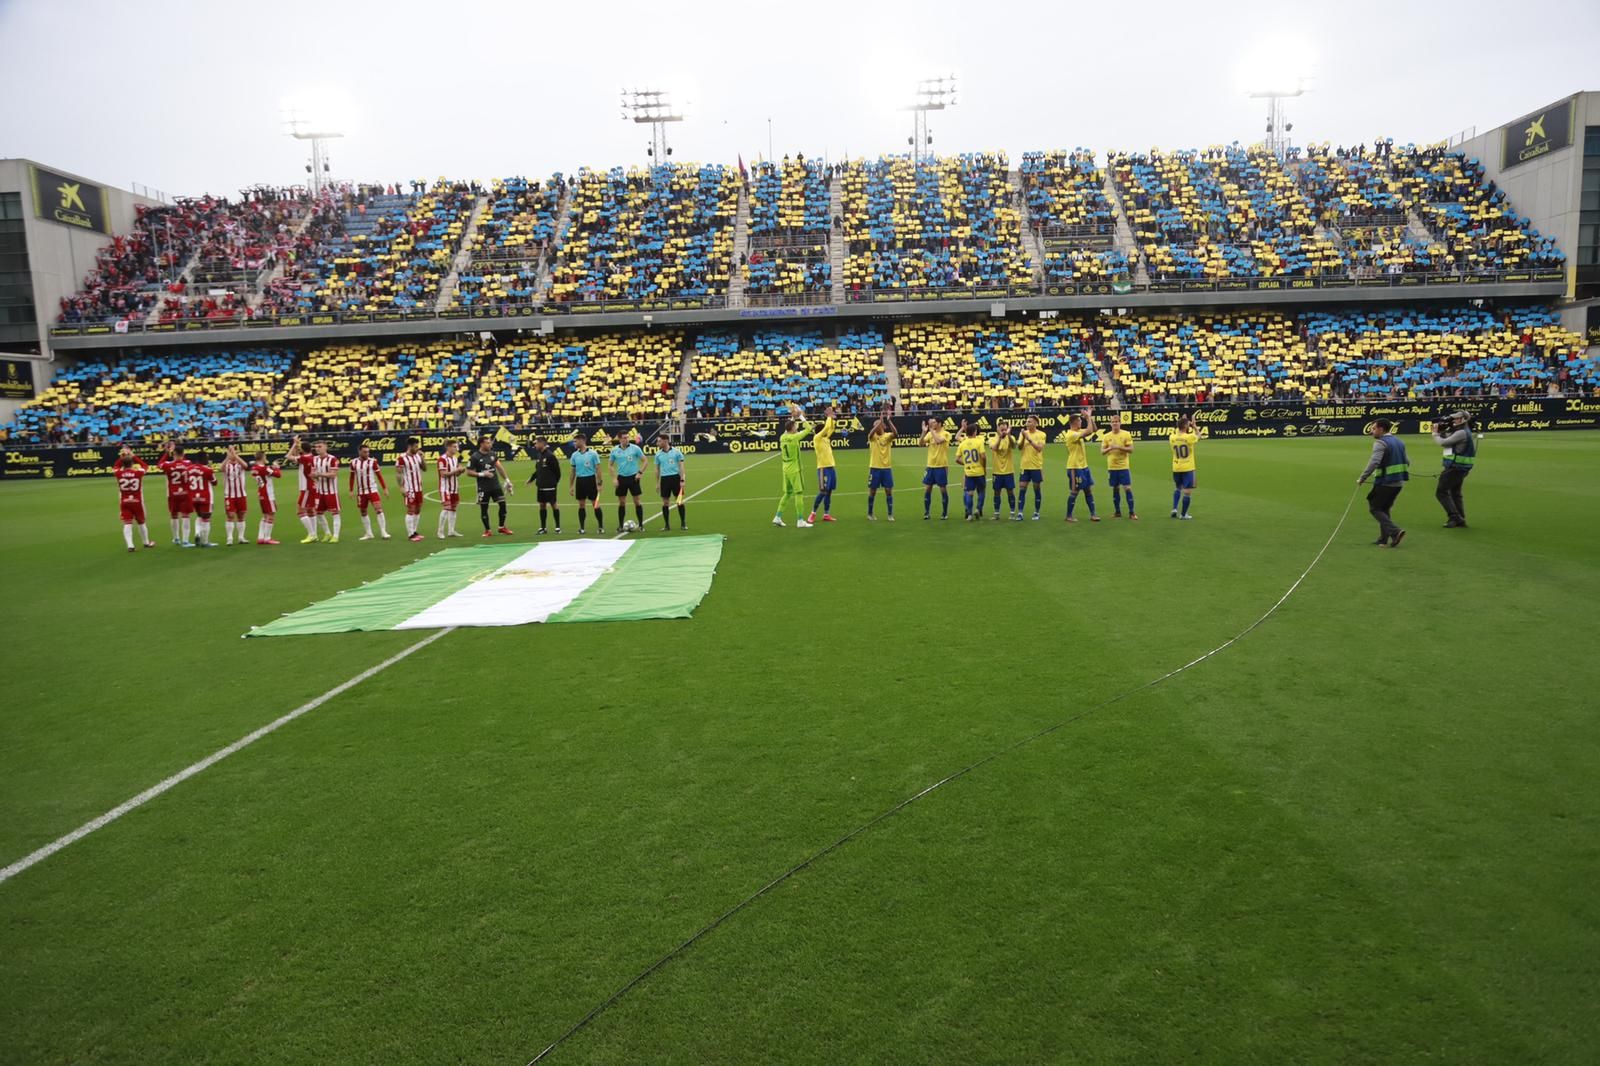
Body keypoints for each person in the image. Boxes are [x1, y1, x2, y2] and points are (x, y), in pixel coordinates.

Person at [1357, 419, 1409, 547]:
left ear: (1381, 429)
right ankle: (1384, 539)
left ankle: (1395, 532)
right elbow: (1407, 461)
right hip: (1398, 482)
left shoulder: (1380, 443)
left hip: (1385, 482)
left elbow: (1374, 462)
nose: (1371, 431)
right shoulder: (1399, 442)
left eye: (1373, 428)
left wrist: (1363, 477)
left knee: (1375, 508)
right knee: (1384, 509)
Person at [1430, 410, 1475, 528]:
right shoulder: (1463, 431)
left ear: (1463, 419)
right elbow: (1450, 441)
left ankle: (1454, 517)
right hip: (1460, 467)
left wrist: (1435, 434)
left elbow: (1444, 443)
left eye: (1456, 418)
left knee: (1441, 492)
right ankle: (1460, 518)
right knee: (1455, 493)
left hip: (1456, 467)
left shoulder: (1461, 432)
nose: (1453, 420)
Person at [773, 402, 813, 528]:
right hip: (795, 469)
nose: (797, 427)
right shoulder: (795, 437)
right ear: (793, 429)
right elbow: (809, 429)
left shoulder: (782, 437)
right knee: (799, 493)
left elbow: (788, 427)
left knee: (787, 493)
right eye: (795, 426)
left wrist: (793, 417)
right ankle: (800, 520)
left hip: (785, 468)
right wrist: (801, 416)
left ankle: (778, 517)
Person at [467, 433, 513, 537]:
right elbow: (469, 472)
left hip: (495, 485)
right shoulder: (475, 457)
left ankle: (501, 527)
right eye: (488, 443)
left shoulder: (492, 454)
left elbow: (499, 467)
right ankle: (487, 530)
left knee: (503, 505)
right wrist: (482, 474)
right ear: (482, 444)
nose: (490, 445)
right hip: (483, 487)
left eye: (490, 443)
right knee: (484, 508)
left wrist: (507, 480)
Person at [113, 444, 155, 552]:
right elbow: (145, 466)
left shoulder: (119, 473)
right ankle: (146, 542)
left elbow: (115, 467)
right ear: (132, 464)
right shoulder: (138, 473)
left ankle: (130, 545)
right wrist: (133, 455)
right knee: (141, 522)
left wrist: (122, 457)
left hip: (125, 501)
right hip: (137, 501)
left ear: (123, 464)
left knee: (127, 523)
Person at [349, 443, 391, 541]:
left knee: (379, 510)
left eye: (368, 452)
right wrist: (351, 490)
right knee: (363, 512)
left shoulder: (373, 462)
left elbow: (379, 475)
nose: (367, 454)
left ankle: (383, 532)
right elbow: (352, 477)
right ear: (359, 452)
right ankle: (368, 533)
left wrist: (385, 488)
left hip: (372, 490)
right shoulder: (353, 462)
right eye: (364, 452)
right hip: (361, 492)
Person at [1063, 411, 1099, 522]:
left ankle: (1093, 514)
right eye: (1079, 420)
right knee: (1075, 491)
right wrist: (1088, 418)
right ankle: (1068, 516)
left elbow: (1094, 429)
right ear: (1074, 422)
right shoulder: (1071, 434)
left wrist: (1090, 418)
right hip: (1075, 467)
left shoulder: (1077, 431)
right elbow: (1088, 431)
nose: (1081, 422)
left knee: (1088, 490)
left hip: (1083, 466)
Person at [608, 429, 647, 532]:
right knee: (621, 502)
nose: (626, 439)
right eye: (624, 438)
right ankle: (620, 525)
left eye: (627, 437)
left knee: (637, 501)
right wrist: (614, 479)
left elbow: (645, 461)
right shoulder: (615, 450)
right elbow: (610, 465)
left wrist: (640, 473)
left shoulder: (635, 448)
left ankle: (641, 525)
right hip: (621, 478)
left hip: (633, 478)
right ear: (620, 439)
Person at [1101, 412, 1137, 520]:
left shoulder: (1126, 434)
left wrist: (1119, 447)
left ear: (1120, 423)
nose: (1115, 424)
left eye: (1116, 422)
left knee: (1127, 488)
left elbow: (1131, 449)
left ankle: (1132, 512)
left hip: (1123, 467)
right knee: (1115, 489)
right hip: (1112, 467)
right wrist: (1109, 448)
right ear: (1110, 424)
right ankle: (1117, 512)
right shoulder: (1107, 436)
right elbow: (1102, 452)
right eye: (1113, 422)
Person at [156, 440, 193, 546]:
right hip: (185, 493)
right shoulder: (188, 463)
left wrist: (167, 453)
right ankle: (185, 541)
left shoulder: (168, 464)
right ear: (183, 454)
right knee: (185, 516)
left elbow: (159, 465)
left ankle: (176, 538)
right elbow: (183, 462)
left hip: (172, 494)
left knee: (174, 515)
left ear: (174, 454)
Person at [567, 433, 605, 534]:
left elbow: (598, 469)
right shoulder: (574, 455)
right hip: (580, 481)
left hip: (590, 480)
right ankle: (582, 528)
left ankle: (600, 526)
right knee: (581, 504)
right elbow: (573, 471)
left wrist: (599, 483)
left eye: (576, 441)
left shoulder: (593, 454)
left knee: (595, 504)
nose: (574, 443)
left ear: (582, 441)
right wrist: (571, 486)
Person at [807, 405, 838, 524]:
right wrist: (829, 416)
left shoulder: (825, 439)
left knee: (829, 491)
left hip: (831, 468)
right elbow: (826, 428)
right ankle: (813, 513)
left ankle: (826, 514)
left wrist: (832, 419)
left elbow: (830, 429)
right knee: (823, 491)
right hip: (822, 469)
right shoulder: (817, 438)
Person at [527, 436, 563, 534]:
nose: (535, 445)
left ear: (542, 443)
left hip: (550, 485)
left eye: (536, 443)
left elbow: (557, 472)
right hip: (541, 485)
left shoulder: (550, 456)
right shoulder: (539, 455)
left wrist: (554, 482)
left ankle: (558, 527)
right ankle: (543, 528)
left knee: (553, 504)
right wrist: (532, 478)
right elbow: (538, 470)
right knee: (542, 505)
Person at [308, 439, 341, 542]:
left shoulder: (332, 459)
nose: (317, 449)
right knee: (319, 513)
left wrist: (319, 474)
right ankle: (327, 533)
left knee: (335, 513)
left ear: (326, 447)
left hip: (331, 491)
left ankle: (335, 536)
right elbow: (313, 474)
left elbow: (333, 475)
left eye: (320, 447)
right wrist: (314, 476)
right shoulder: (314, 459)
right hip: (320, 491)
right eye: (316, 447)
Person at [866, 409, 895, 521]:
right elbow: (870, 433)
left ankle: (890, 514)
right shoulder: (873, 437)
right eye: (875, 425)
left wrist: (889, 421)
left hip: (886, 468)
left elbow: (896, 434)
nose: (876, 426)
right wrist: (878, 422)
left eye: (878, 425)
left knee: (888, 491)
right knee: (872, 491)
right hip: (874, 468)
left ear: (882, 426)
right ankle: (870, 513)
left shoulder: (887, 436)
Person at [396, 437, 427, 542]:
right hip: (409, 488)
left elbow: (424, 468)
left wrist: (422, 458)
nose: (417, 448)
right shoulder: (402, 458)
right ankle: (410, 535)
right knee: (411, 510)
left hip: (419, 487)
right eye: (415, 446)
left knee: (418, 509)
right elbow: (398, 473)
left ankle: (414, 531)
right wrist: (401, 487)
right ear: (410, 446)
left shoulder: (418, 456)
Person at [654, 433, 687, 530]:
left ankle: (683, 523)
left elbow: (681, 466)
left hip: (675, 478)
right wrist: (657, 483)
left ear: (665, 441)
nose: (658, 443)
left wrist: (682, 479)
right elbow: (657, 469)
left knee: (679, 501)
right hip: (664, 479)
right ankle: (667, 525)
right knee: (665, 503)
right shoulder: (658, 454)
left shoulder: (677, 452)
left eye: (659, 441)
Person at [249, 448, 282, 545]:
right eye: (265, 456)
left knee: (265, 516)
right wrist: (276, 468)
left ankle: (260, 537)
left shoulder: (254, 468)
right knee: (271, 515)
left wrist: (271, 468)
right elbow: (278, 475)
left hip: (261, 493)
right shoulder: (263, 468)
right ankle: (267, 538)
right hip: (268, 494)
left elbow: (264, 474)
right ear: (263, 457)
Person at [220, 445, 251, 545]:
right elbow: (221, 468)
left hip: (241, 494)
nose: (233, 454)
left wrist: (235, 455)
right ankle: (229, 538)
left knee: (241, 515)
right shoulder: (226, 465)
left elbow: (246, 466)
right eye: (231, 452)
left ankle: (241, 537)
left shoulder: (240, 464)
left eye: (235, 452)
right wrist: (228, 456)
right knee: (230, 515)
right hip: (229, 495)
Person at [185, 451, 217, 547]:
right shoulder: (207, 469)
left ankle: (197, 533)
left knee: (199, 516)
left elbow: (186, 481)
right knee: (206, 518)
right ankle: (205, 541)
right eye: (207, 458)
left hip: (193, 497)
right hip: (206, 497)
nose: (208, 459)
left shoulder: (188, 469)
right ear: (202, 458)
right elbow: (215, 482)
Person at [920, 418, 951, 520]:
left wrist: (931, 431)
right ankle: (926, 512)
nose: (932, 424)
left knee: (942, 489)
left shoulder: (946, 433)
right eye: (932, 422)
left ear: (939, 424)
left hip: (941, 466)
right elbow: (921, 444)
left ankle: (944, 512)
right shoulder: (929, 434)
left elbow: (938, 441)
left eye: (934, 422)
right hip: (930, 466)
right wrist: (924, 432)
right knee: (927, 488)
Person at [1168, 417, 1198, 520]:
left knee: (1177, 488)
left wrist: (1185, 423)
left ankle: (1174, 508)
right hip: (1187, 467)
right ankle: (1183, 514)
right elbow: (1198, 436)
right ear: (1185, 426)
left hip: (1176, 467)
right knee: (1187, 492)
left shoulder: (1172, 437)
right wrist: (1195, 427)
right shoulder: (1189, 437)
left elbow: (1178, 432)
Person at [1018, 415, 1046, 520]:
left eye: (1029, 422)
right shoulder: (1023, 434)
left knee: (1036, 489)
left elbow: (1039, 448)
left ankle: (1036, 512)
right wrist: (1023, 438)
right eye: (1027, 421)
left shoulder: (1042, 434)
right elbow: (1020, 447)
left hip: (1036, 466)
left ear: (1035, 423)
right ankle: (1020, 512)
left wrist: (1028, 439)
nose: (1027, 423)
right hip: (1025, 466)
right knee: (1022, 489)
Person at [957, 421, 987, 520]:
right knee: (981, 491)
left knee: (969, 493)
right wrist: (984, 467)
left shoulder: (962, 443)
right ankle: (978, 509)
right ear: (975, 432)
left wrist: (966, 463)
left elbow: (957, 459)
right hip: (979, 471)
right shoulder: (980, 441)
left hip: (968, 472)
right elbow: (983, 456)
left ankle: (969, 514)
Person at [989, 419, 1017, 521]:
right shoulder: (993, 439)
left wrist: (1008, 435)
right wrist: (1000, 438)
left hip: (1008, 471)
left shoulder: (1011, 438)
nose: (1003, 431)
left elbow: (1014, 446)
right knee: (997, 492)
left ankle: (1012, 513)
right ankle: (996, 513)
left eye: (1005, 429)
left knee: (1010, 492)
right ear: (997, 429)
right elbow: (994, 448)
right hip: (997, 471)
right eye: (1001, 429)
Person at [437, 440, 464, 538]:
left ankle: (451, 531)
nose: (456, 449)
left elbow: (456, 474)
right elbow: (443, 474)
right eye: (454, 447)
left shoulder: (455, 459)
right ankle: (440, 531)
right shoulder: (442, 459)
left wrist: (460, 471)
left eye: (456, 447)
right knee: (446, 508)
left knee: (453, 509)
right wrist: (456, 470)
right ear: (448, 447)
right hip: (445, 488)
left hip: (454, 487)